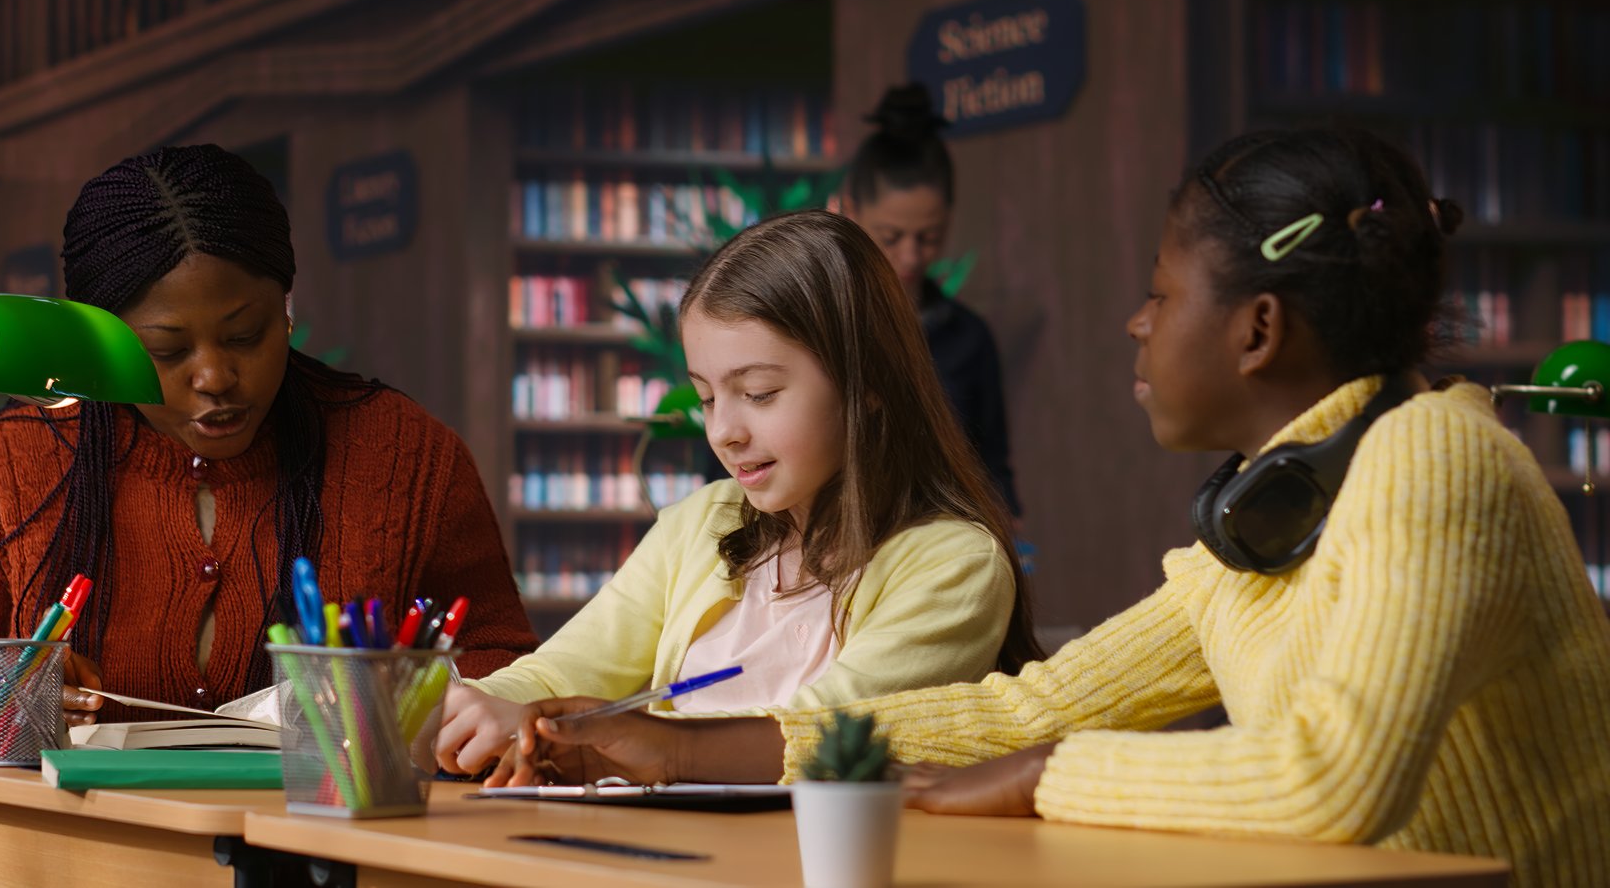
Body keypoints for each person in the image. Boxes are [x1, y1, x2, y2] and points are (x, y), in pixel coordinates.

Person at [496, 128, 1610, 886]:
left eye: (1161, 294)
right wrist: (691, 750)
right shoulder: (1274, 510)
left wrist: (1041, 778)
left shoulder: (1435, 455)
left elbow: (1328, 776)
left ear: (1258, 327)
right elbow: (1044, 700)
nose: (1136, 324)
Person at [0, 144, 538, 724]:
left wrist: (425, 707)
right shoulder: (5, 467)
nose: (215, 376)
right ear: (102, 340)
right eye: (167, 350)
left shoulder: (406, 455)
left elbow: (503, 669)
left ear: (288, 306)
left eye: (247, 334)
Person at [436, 210, 1039, 775]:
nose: (723, 431)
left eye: (758, 393)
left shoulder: (954, 564)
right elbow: (565, 669)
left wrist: (649, 746)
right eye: (706, 397)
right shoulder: (701, 523)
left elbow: (827, 734)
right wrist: (473, 708)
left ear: (868, 385)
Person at [842, 83, 1020, 514]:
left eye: (929, 238)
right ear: (849, 210)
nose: (910, 255)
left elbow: (991, 468)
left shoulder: (969, 338)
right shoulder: (818, 326)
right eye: (891, 237)